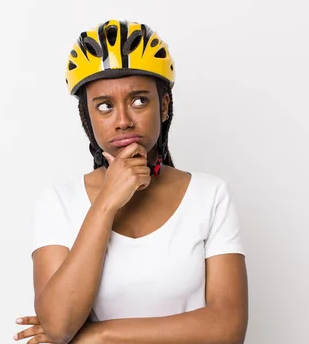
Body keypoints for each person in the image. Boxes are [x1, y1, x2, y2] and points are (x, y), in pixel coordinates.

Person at [13, 19, 248, 344]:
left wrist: (100, 336)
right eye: (105, 106)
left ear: (164, 105)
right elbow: (58, 324)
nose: (123, 121)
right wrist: (107, 202)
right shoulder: (57, 202)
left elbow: (228, 328)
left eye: (139, 101)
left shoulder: (210, 196)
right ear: (87, 117)